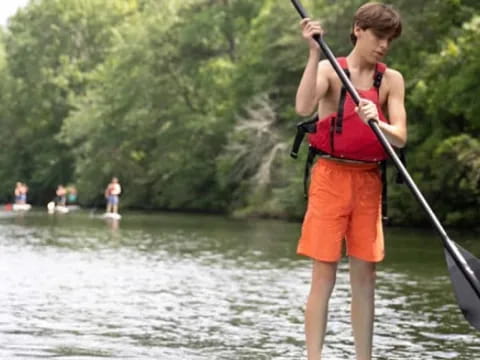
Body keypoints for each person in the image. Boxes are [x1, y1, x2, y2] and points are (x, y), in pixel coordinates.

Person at [295, 3, 407, 360]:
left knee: (365, 278)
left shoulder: (391, 80)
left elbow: (401, 137)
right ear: (358, 29)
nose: (384, 45)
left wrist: (380, 120)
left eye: (389, 39)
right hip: (329, 178)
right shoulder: (330, 70)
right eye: (378, 36)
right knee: (323, 275)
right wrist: (313, 53)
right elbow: (303, 106)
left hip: (368, 182)